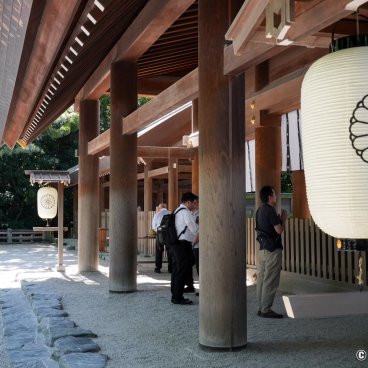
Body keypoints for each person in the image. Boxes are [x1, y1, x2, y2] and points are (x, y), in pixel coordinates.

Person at [256, 185, 287, 318]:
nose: (276, 196)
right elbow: (279, 230)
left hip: (263, 249)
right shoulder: (270, 210)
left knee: (262, 279)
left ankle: (261, 307)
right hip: (272, 249)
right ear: (270, 197)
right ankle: (266, 309)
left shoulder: (259, 210)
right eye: (274, 194)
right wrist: (283, 220)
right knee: (270, 280)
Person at [171, 192, 199, 305]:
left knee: (178, 269)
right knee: (182, 270)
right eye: (194, 202)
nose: (195, 204)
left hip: (176, 244)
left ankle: (175, 293)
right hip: (183, 244)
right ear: (188, 202)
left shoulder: (177, 211)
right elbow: (194, 229)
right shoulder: (185, 213)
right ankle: (178, 297)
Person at [151, 203, 171, 273]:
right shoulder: (171, 213)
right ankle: (170, 268)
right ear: (166, 207)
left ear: (160, 208)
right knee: (170, 251)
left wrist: (158, 231)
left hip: (160, 233)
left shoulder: (157, 214)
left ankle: (158, 268)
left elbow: (153, 226)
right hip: (169, 234)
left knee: (159, 251)